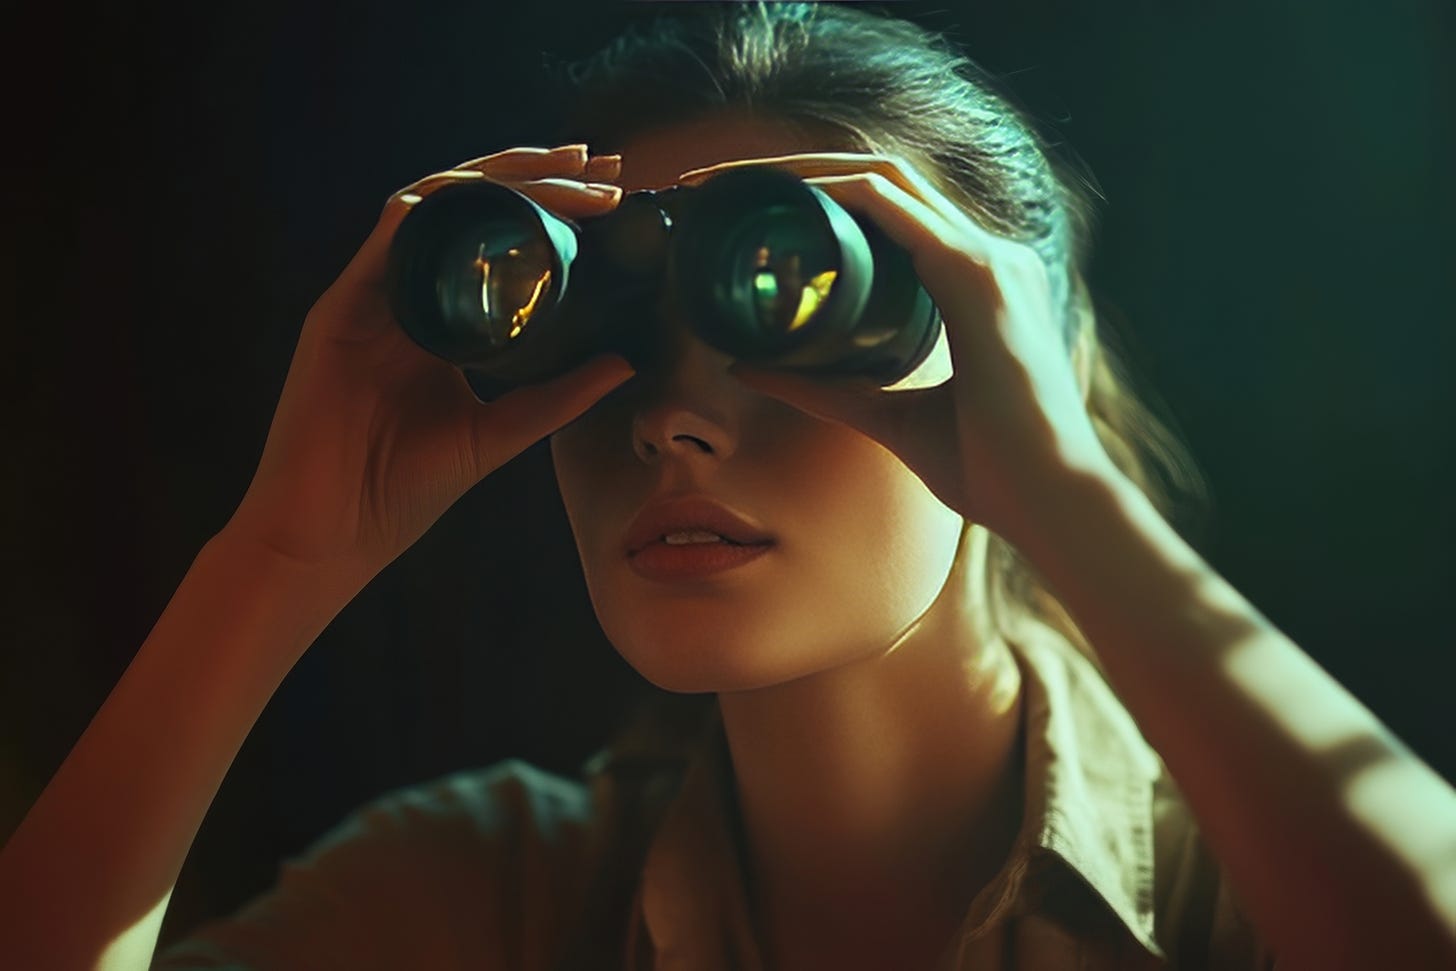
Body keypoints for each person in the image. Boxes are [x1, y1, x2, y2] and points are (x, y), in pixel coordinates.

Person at [3, 4, 1454, 969]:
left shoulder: (1257, 881)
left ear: (1016, 360)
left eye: (782, 308)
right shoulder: (491, 900)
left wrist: (1064, 493)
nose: (672, 424)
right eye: (616, 335)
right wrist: (275, 560)